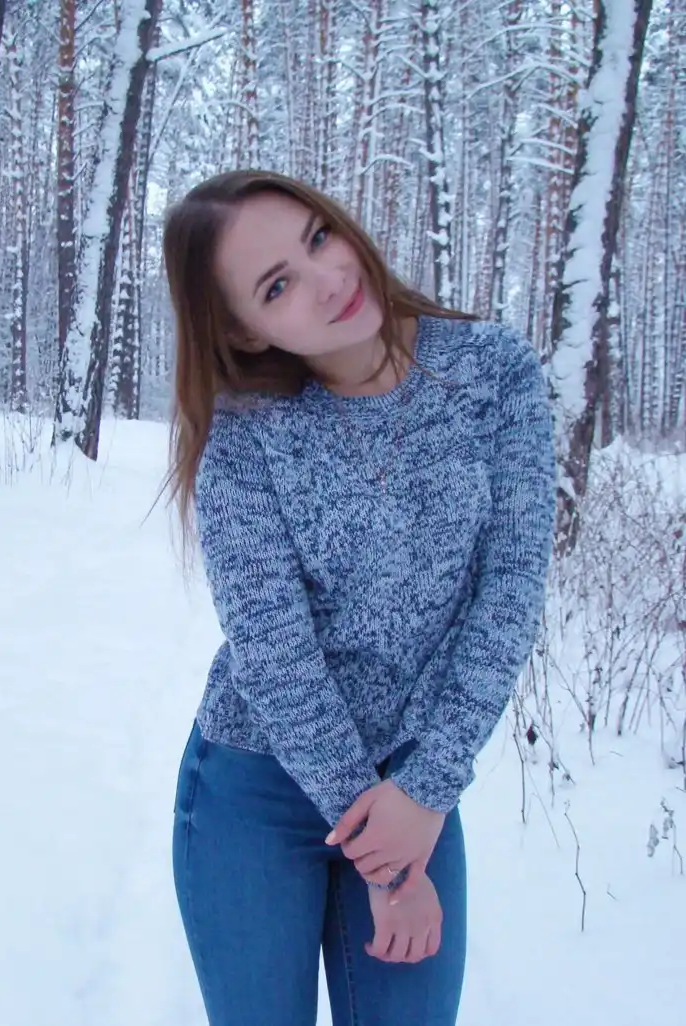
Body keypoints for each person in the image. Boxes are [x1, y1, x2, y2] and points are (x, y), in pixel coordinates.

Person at [163, 169, 556, 1026]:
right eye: (277, 286)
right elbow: (274, 650)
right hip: (257, 788)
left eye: (318, 239)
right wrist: (387, 861)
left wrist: (425, 793)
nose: (329, 278)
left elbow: (510, 591)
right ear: (244, 328)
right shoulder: (246, 431)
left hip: (415, 785)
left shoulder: (493, 373)